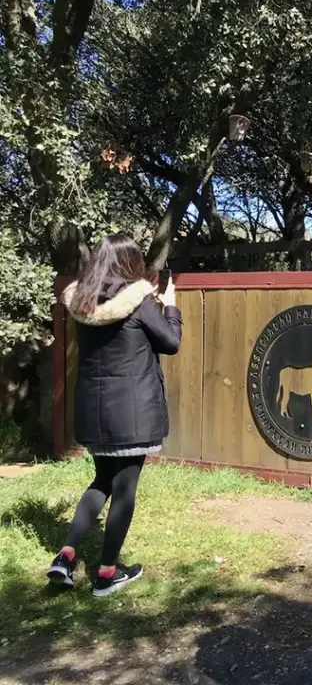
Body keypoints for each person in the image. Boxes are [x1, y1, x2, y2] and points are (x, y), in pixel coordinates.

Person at [47, 234, 181, 596]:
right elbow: (170, 343)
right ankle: (106, 575)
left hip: (95, 412)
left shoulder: (83, 300)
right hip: (131, 415)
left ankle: (65, 556)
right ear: (130, 263)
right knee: (124, 490)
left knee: (101, 481)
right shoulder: (138, 300)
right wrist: (169, 307)